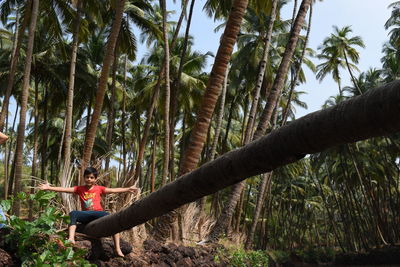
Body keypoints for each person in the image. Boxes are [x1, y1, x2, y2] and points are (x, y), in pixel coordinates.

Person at [39, 166, 138, 257]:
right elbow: (64, 189)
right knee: (73, 213)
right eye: (87, 177)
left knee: (114, 219)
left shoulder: (99, 188)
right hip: (86, 215)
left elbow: (113, 190)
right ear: (84, 178)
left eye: (91, 177)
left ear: (95, 179)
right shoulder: (79, 189)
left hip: (98, 213)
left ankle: (117, 248)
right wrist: (48, 187)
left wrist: (128, 189)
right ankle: (71, 238)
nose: (89, 179)